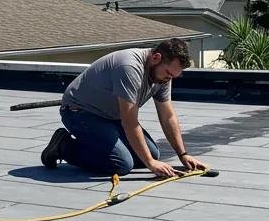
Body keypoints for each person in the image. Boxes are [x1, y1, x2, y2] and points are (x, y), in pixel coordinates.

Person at [40, 38, 209, 178]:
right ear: (156, 58)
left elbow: (168, 116)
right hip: (80, 112)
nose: (168, 79)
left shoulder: (163, 75)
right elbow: (130, 122)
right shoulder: (129, 67)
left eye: (173, 76)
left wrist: (183, 154)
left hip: (111, 116)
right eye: (168, 74)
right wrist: (151, 165)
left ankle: (102, 145)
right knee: (121, 164)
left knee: (151, 154)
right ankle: (64, 146)